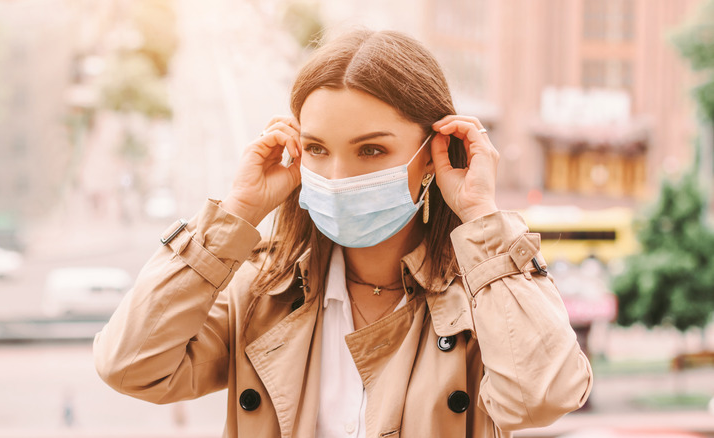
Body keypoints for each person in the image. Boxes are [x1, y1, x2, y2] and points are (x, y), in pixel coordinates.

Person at [93, 29, 593, 438]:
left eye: (371, 150)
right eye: (316, 149)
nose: (337, 176)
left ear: (432, 157)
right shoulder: (264, 291)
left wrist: (481, 214)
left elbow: (543, 397)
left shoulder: (479, 297)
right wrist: (238, 212)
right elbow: (130, 364)